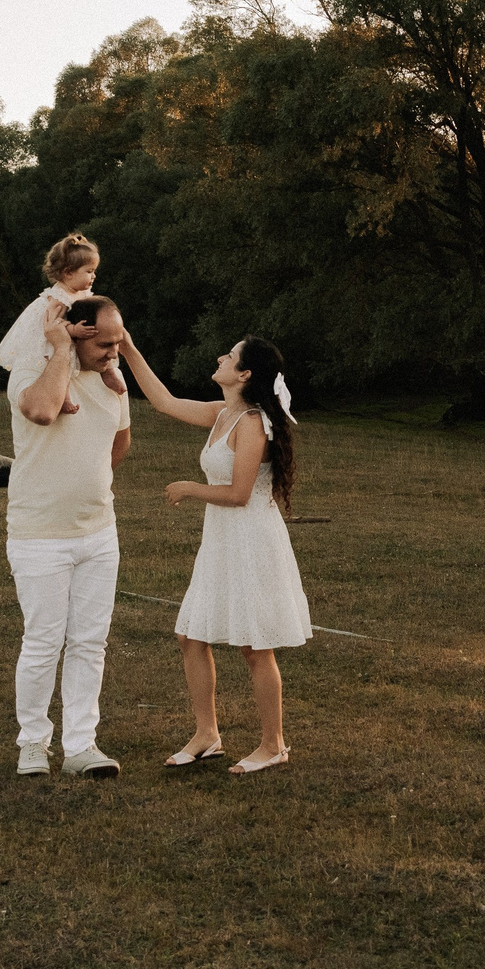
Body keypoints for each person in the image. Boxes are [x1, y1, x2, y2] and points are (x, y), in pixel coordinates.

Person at [114, 327, 311, 775]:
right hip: (221, 541)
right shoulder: (223, 413)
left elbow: (241, 493)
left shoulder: (252, 423)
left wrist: (190, 488)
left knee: (254, 646)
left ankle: (273, 745)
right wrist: (127, 347)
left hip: (250, 541)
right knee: (190, 636)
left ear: (243, 374)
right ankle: (207, 735)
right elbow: (164, 401)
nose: (220, 356)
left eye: (231, 355)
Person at [0, 293, 132, 779]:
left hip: (99, 533)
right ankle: (33, 744)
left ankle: (81, 746)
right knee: (43, 642)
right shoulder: (33, 371)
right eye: (104, 342)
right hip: (39, 535)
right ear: (77, 331)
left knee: (89, 643)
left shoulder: (112, 386)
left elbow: (121, 441)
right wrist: (59, 351)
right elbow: (39, 412)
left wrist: (88, 481)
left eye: (119, 342)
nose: (113, 352)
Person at [0, 233, 129, 413]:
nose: (94, 276)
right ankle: (64, 398)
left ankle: (108, 373)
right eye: (89, 271)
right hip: (52, 339)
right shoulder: (58, 299)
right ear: (68, 273)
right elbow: (54, 326)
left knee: (103, 348)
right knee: (63, 361)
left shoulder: (83, 294)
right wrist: (74, 330)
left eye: (94, 271)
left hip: (70, 336)